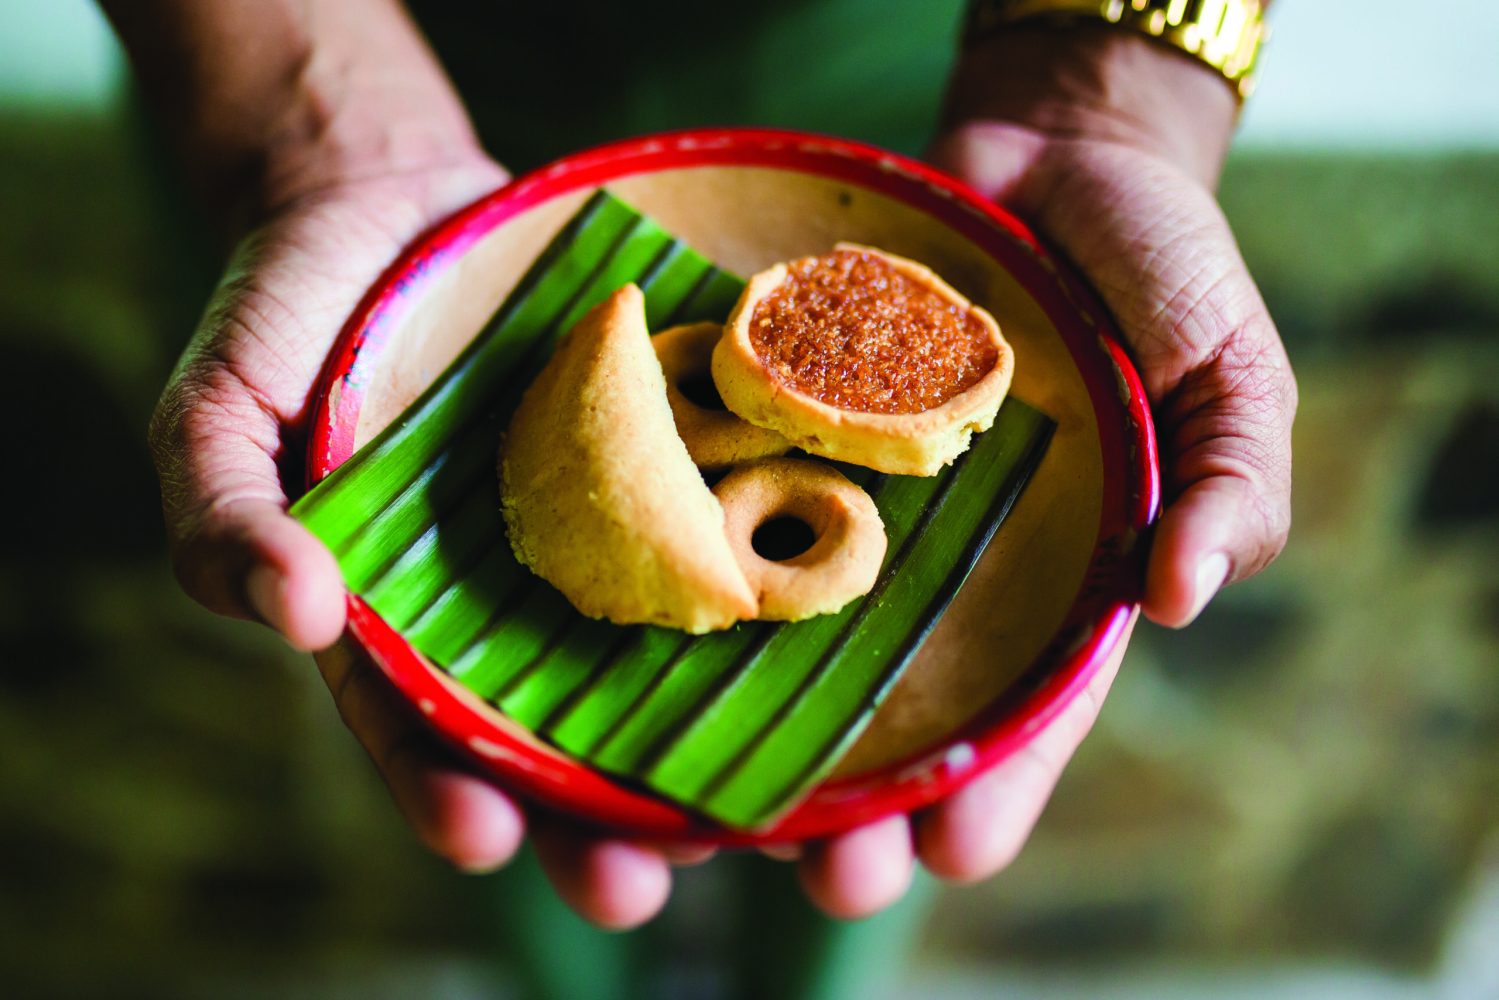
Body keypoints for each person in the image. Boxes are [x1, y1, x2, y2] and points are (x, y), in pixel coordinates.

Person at [100, 0, 1295, 931]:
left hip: (923, 72)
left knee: (879, 811)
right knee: (487, 794)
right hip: (321, 57)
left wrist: (1107, 90)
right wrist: (300, 119)